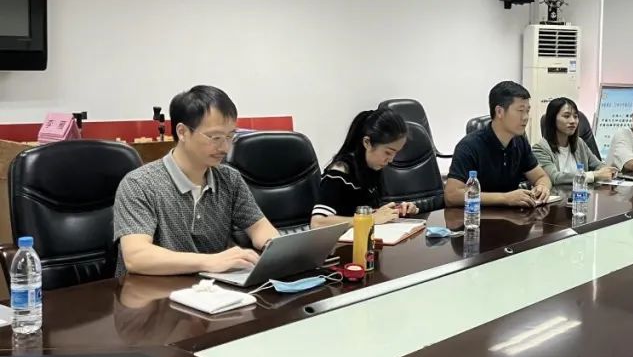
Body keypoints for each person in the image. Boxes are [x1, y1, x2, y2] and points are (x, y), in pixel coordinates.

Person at [113, 85, 278, 277]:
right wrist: (212, 261)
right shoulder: (140, 184)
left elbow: (260, 228)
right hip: (151, 291)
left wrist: (277, 249)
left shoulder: (229, 179)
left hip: (210, 289)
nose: (225, 147)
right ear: (182, 132)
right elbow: (136, 257)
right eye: (215, 137)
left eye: (230, 136)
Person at [310, 108, 441, 227]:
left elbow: (363, 212)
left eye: (395, 153)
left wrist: (397, 210)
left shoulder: (371, 168)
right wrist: (370, 219)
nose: (391, 160)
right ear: (367, 143)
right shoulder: (340, 172)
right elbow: (317, 222)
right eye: (388, 152)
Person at [445, 81, 552, 209]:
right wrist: (505, 198)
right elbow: (452, 195)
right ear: (499, 111)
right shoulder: (469, 146)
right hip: (477, 217)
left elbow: (541, 176)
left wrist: (542, 187)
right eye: (520, 110)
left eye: (527, 111)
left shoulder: (520, 141)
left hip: (511, 216)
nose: (525, 117)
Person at [532, 97, 615, 185]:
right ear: (552, 119)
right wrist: (593, 175)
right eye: (566, 116)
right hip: (558, 193)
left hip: (582, 192)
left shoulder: (579, 143)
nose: (573, 121)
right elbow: (555, 178)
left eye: (575, 117)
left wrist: (607, 171)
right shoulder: (540, 149)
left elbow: (598, 165)